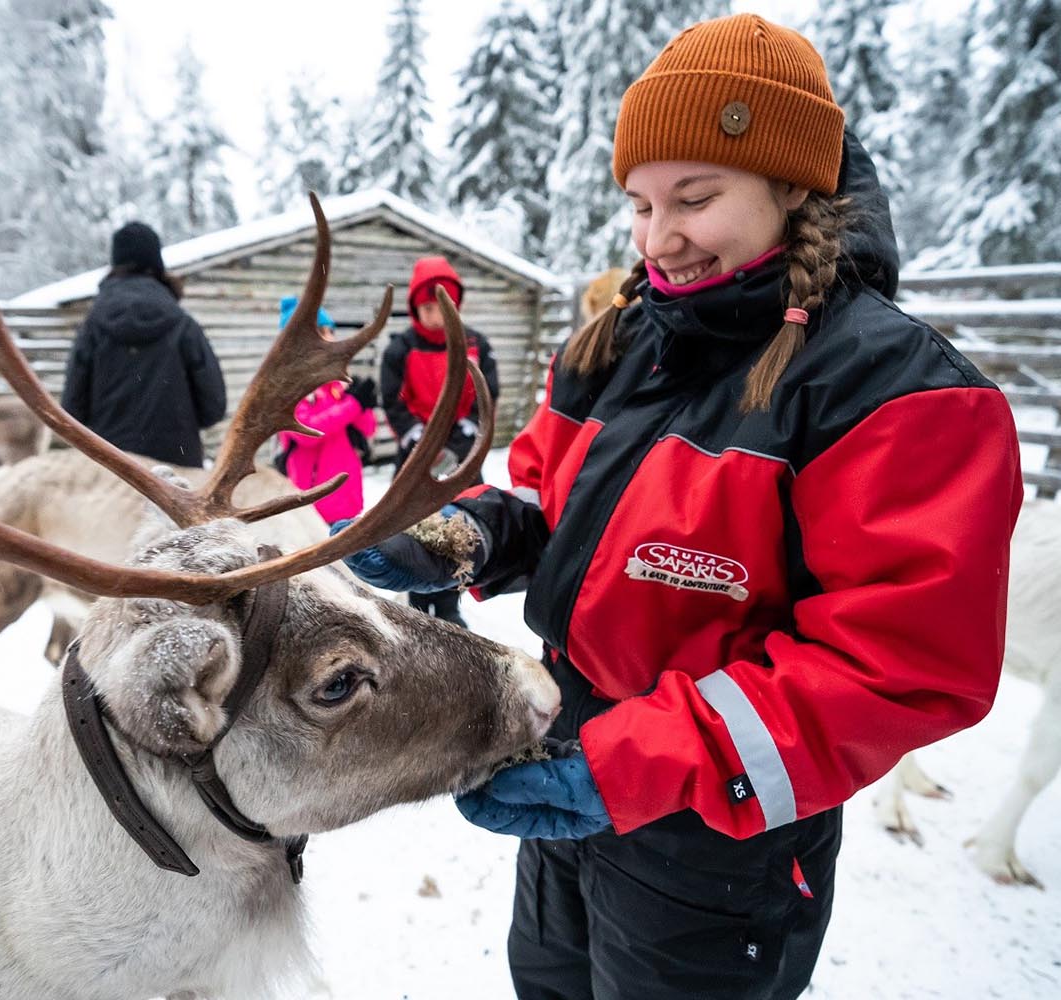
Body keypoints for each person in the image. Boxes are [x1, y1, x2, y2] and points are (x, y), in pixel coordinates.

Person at [339, 14, 1022, 999]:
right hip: (569, 760)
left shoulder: (894, 391)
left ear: (794, 187)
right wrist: (462, 535)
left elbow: (899, 666)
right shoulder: (616, 346)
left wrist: (636, 765)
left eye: (694, 197)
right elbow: (543, 501)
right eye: (638, 203)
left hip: (719, 844)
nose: (660, 238)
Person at [379, 255, 498, 627]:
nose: (434, 315)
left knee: (457, 530)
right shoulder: (401, 347)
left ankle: (449, 603)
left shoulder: (474, 343)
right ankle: (417, 600)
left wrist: (469, 425)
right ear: (416, 307)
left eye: (440, 305)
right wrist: (413, 432)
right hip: (418, 450)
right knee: (416, 527)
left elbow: (487, 391)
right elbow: (391, 394)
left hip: (461, 449)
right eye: (426, 307)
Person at [60, 222, 226, 467]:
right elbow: (213, 407)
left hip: (112, 472)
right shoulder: (183, 325)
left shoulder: (92, 328)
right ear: (157, 264)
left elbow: (72, 409)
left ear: (115, 265)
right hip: (177, 476)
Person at [271, 296, 378, 525]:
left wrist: (364, 402)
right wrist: (354, 405)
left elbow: (367, 430)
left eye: (331, 331)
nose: (332, 337)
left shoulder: (337, 384)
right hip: (312, 504)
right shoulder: (290, 387)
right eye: (323, 331)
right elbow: (307, 432)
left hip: (348, 498)